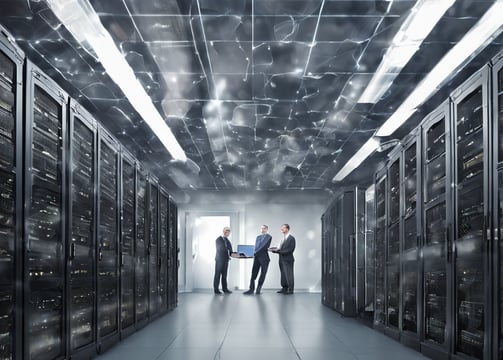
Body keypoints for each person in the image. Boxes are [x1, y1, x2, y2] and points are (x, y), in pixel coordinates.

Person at [243, 225, 272, 295]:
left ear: (267, 229)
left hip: (264, 258)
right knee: (253, 274)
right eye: (262, 228)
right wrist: (249, 252)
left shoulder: (269, 237)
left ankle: (258, 290)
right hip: (257, 258)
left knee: (262, 274)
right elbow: (256, 247)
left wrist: (254, 252)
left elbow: (264, 247)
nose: (263, 229)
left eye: (264, 228)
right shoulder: (258, 237)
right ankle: (251, 289)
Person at [271, 224, 296, 294]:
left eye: (283, 228)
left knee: (289, 275)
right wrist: (274, 249)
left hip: (288, 260)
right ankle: (284, 288)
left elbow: (290, 250)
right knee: (283, 274)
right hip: (281, 259)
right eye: (281, 228)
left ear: (287, 229)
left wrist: (278, 252)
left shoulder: (291, 238)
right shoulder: (282, 239)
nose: (281, 229)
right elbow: (280, 248)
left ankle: (290, 290)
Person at [213, 226, 233, 294]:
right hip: (219, 260)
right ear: (224, 231)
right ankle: (216, 290)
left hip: (225, 260)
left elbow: (230, 249)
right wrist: (228, 254)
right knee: (217, 274)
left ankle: (225, 289)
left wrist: (235, 254)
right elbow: (220, 249)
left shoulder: (227, 240)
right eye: (228, 232)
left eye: (229, 232)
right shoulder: (218, 239)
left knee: (224, 275)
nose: (229, 233)